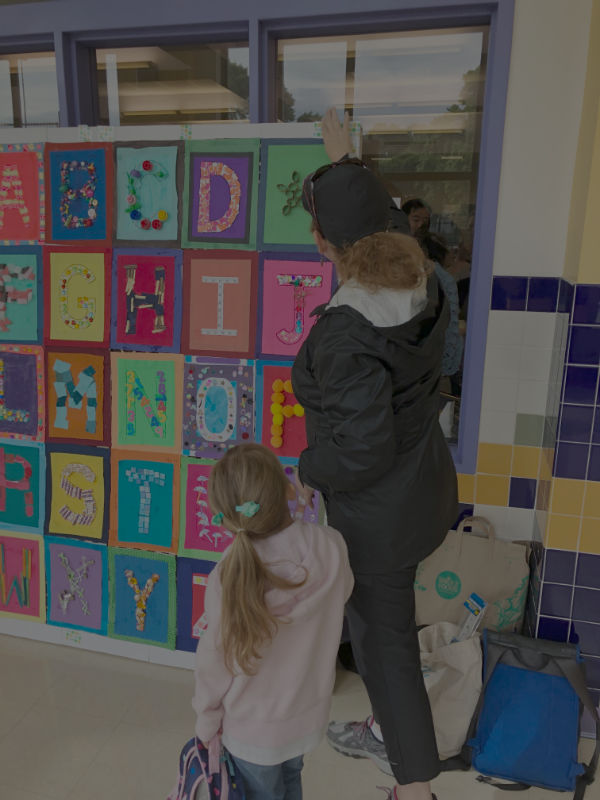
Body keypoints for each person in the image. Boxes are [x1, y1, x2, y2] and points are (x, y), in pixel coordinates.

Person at [292, 109, 457, 800]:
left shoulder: (345, 332)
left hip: (379, 519)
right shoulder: (425, 284)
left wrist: (305, 469)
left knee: (386, 648)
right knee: (386, 633)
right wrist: (347, 162)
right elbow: (384, 223)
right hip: (424, 495)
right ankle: (391, 731)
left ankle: (414, 787)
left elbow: (361, 451)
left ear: (324, 243)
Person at [192, 443, 354, 800]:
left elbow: (213, 663)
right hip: (305, 719)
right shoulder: (331, 546)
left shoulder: (228, 576)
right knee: (291, 781)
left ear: (226, 515)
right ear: (287, 490)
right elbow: (342, 594)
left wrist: (206, 719)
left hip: (251, 731)